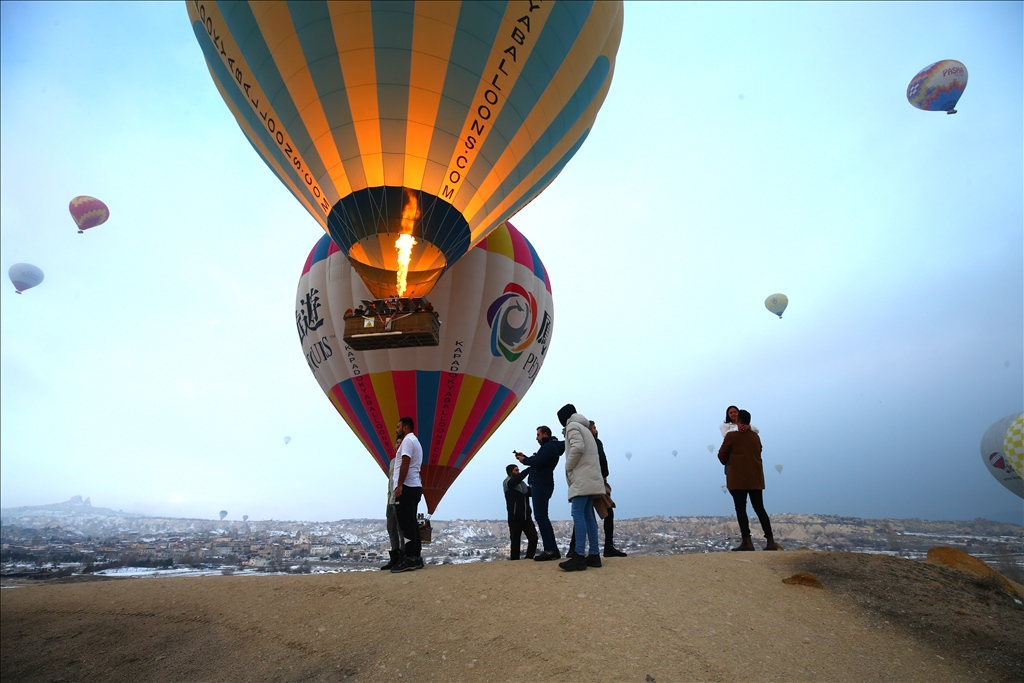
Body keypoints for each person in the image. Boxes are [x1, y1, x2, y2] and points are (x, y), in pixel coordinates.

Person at [718, 409, 778, 551]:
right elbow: (759, 451)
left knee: (741, 509)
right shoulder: (755, 437)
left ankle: (747, 542)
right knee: (759, 508)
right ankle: (770, 541)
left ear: (738, 420)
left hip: (738, 479)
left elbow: (721, 456)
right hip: (755, 478)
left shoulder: (731, 436)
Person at [556, 404, 606, 571]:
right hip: (591, 477)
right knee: (587, 515)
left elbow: (577, 448)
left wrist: (568, 467)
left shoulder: (572, 427)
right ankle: (594, 555)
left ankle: (578, 556)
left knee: (578, 513)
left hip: (582, 477)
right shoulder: (585, 428)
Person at [568, 421, 627, 558]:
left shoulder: (581, 443)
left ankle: (574, 549)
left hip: (584, 482)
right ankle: (607, 547)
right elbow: (602, 461)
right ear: (589, 430)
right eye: (594, 428)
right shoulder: (595, 442)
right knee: (607, 513)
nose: (596, 430)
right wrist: (605, 474)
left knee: (582, 514)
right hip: (597, 481)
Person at [515, 426, 565, 561]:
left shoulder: (549, 447)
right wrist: (525, 458)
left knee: (541, 517)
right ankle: (552, 549)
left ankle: (550, 550)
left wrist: (524, 461)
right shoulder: (550, 447)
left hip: (541, 485)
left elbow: (538, 462)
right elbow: (539, 461)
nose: (536, 438)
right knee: (543, 517)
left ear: (545, 434)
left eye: (538, 435)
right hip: (543, 484)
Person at [391, 417, 424, 572]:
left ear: (405, 428)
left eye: (398, 426)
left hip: (407, 486)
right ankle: (416, 557)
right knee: (411, 522)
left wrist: (399, 485)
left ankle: (409, 558)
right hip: (414, 486)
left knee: (405, 524)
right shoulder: (414, 441)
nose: (396, 429)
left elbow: (405, 462)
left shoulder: (407, 441)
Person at [380, 437, 406, 570]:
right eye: (397, 443)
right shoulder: (393, 462)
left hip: (401, 500)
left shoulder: (408, 462)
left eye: (402, 443)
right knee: (391, 528)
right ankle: (394, 557)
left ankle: (404, 557)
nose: (399, 445)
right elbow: (390, 482)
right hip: (391, 501)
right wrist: (389, 498)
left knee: (402, 529)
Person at [503, 464, 537, 560]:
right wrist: (528, 469)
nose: (518, 472)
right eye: (516, 470)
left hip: (526, 517)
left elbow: (531, 492)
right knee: (515, 542)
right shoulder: (507, 482)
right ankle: (515, 562)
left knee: (533, 538)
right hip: (514, 518)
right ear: (510, 472)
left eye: (518, 470)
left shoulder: (522, 485)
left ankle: (529, 558)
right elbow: (514, 481)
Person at [719, 405, 759, 474]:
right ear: (728, 415)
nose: (733, 414)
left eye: (735, 412)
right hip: (733, 455)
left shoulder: (751, 430)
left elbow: (756, 430)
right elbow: (726, 435)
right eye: (731, 413)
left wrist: (748, 427)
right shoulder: (726, 426)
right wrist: (738, 428)